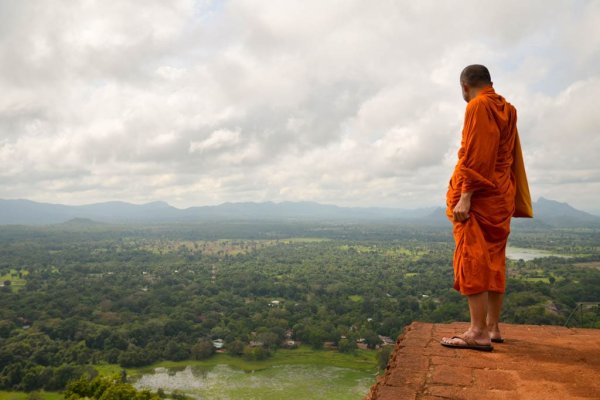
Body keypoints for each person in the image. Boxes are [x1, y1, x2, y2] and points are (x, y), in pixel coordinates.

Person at [440, 64, 530, 351]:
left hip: (480, 197)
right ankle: (493, 326)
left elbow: (478, 154)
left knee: (473, 258)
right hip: (502, 194)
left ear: (464, 86)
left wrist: (466, 195)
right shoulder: (508, 108)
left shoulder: (478, 106)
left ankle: (477, 331)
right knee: (494, 259)